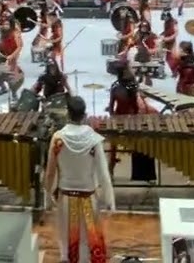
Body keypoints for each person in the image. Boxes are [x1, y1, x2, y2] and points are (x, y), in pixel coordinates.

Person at [44, 96, 115, 263]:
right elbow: (103, 173)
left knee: (66, 240)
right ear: (84, 114)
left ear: (68, 113)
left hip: (66, 198)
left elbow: (50, 172)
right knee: (89, 242)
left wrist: (47, 197)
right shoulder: (93, 139)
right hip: (89, 198)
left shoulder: (58, 139)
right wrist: (109, 199)